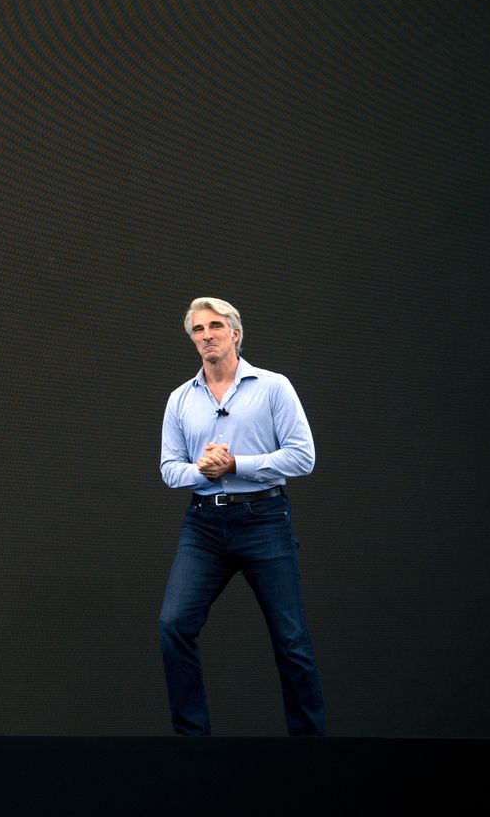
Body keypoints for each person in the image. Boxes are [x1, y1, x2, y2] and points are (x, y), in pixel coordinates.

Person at [157, 297, 324, 735]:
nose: (207, 335)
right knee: (174, 625)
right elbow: (169, 469)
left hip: (263, 519)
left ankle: (311, 747)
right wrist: (203, 469)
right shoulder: (180, 399)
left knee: (290, 639)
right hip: (204, 527)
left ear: (235, 333)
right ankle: (192, 742)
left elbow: (302, 457)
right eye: (198, 329)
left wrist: (236, 465)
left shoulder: (273, 387)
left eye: (215, 326)